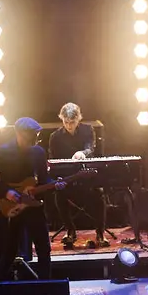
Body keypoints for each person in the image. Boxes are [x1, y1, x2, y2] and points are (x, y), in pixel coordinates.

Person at [0, 117, 63, 281]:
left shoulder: (38, 152)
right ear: (18, 134)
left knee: (43, 249)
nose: (32, 141)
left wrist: (54, 185)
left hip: (33, 206)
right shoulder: (4, 152)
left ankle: (46, 288)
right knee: (10, 250)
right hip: (11, 206)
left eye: (35, 138)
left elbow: (43, 179)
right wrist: (6, 192)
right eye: (29, 137)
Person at [46, 103, 104, 250]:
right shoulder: (55, 137)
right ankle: (70, 230)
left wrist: (83, 153)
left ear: (78, 119)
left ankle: (100, 233)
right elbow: (53, 161)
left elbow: (90, 147)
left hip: (87, 177)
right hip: (68, 178)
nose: (69, 125)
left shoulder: (87, 130)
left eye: (72, 122)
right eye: (66, 122)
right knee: (59, 195)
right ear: (62, 120)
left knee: (99, 195)